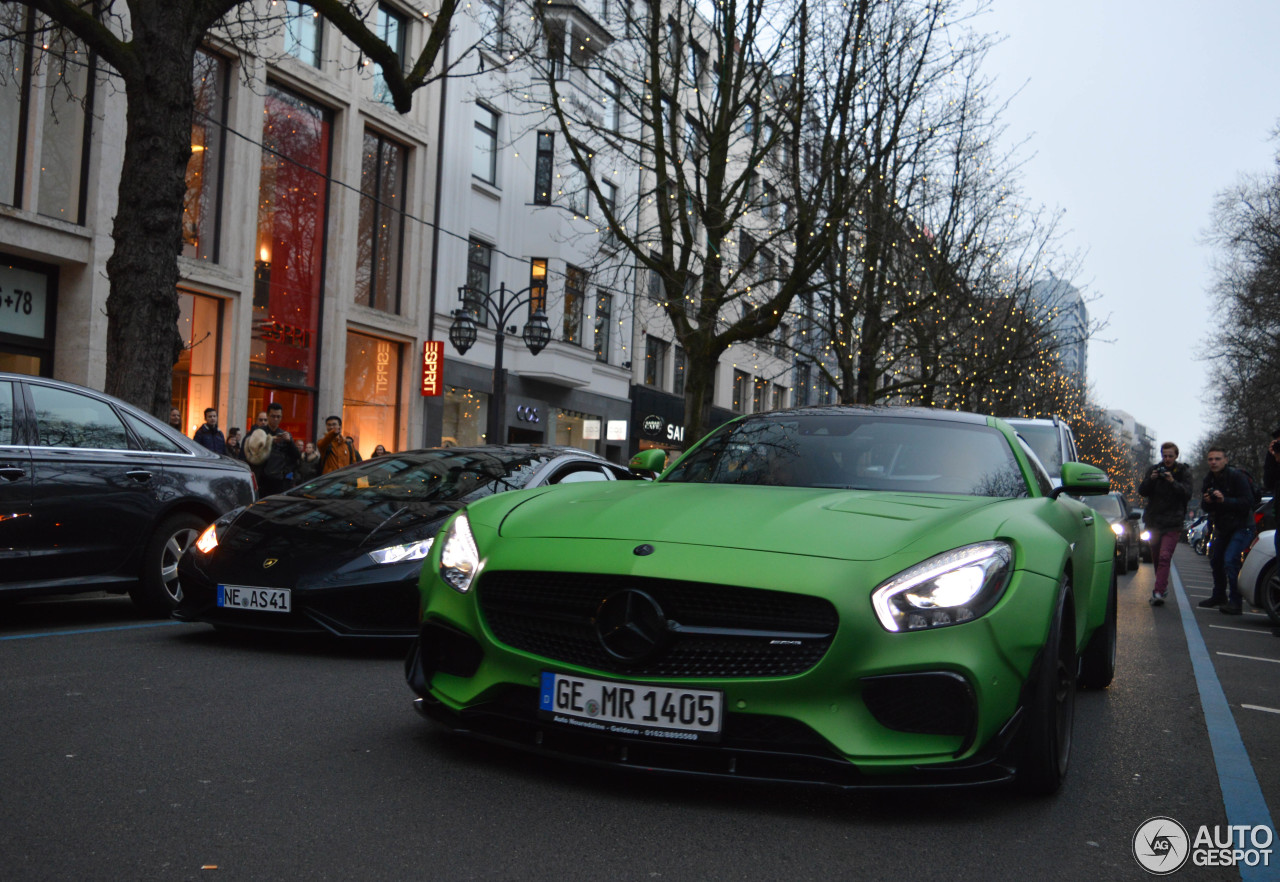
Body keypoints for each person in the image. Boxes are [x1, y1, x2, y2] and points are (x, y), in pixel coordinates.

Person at [1199, 446, 1255, 614]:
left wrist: (1225, 500)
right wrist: (1208, 501)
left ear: (1225, 460)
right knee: (1216, 559)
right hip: (1223, 527)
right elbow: (1205, 507)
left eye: (1217, 459)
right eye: (1210, 459)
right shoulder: (1209, 479)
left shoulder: (1236, 477)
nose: (1213, 462)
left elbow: (1248, 503)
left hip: (1242, 526)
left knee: (1230, 560)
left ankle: (1236, 602)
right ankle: (1219, 595)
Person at [1139, 441, 1193, 606]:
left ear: (1176, 456)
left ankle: (1158, 591)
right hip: (1154, 521)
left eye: (1170, 456)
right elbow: (1142, 491)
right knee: (1156, 557)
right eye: (1164, 455)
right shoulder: (1154, 470)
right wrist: (1151, 479)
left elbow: (1187, 493)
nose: (1167, 459)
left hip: (1173, 522)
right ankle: (1162, 585)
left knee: (1164, 556)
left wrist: (1172, 481)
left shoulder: (1183, 472)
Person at [244, 402, 301, 496]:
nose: (276, 419)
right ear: (268, 416)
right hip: (262, 479)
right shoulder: (259, 432)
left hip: (279, 480)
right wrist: (270, 441)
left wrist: (290, 442)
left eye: (278, 417)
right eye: (273, 416)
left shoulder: (284, 435)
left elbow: (296, 456)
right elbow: (251, 451)